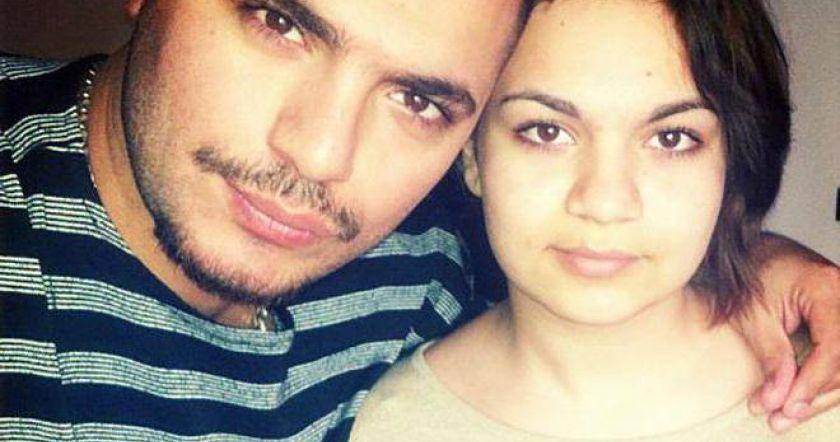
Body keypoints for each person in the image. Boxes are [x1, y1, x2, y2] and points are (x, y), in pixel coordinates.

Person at [0, 0, 837, 441]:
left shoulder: (419, 272)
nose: (320, 155)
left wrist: (758, 260)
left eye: (418, 98)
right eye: (280, 21)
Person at [350, 0, 840, 440]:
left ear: (730, 166)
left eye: (670, 138)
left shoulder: (827, 400)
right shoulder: (386, 423)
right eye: (546, 131)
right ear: (472, 157)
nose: (605, 203)